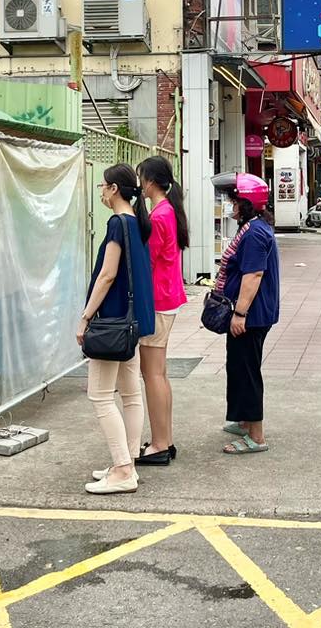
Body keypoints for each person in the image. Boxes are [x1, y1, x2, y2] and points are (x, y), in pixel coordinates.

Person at [79, 164, 156, 494]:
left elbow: (107, 275)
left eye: (102, 186)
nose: (100, 192)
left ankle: (123, 471)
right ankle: (127, 462)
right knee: (130, 394)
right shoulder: (138, 223)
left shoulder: (116, 224)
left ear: (113, 189)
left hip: (111, 321)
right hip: (133, 322)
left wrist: (85, 316)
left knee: (99, 396)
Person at [212, 172, 280, 455]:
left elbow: (253, 275)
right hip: (249, 314)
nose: (231, 206)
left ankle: (256, 435)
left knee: (247, 371)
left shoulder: (254, 233)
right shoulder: (252, 228)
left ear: (247, 203)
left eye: (235, 201)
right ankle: (242, 420)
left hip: (251, 316)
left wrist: (240, 314)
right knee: (238, 367)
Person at [135, 155, 189, 466]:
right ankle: (164, 440)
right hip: (168, 299)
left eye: (142, 178)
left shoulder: (158, 217)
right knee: (160, 374)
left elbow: (148, 263)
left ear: (151, 181)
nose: (139, 184)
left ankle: (158, 444)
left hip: (157, 299)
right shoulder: (170, 210)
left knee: (152, 374)